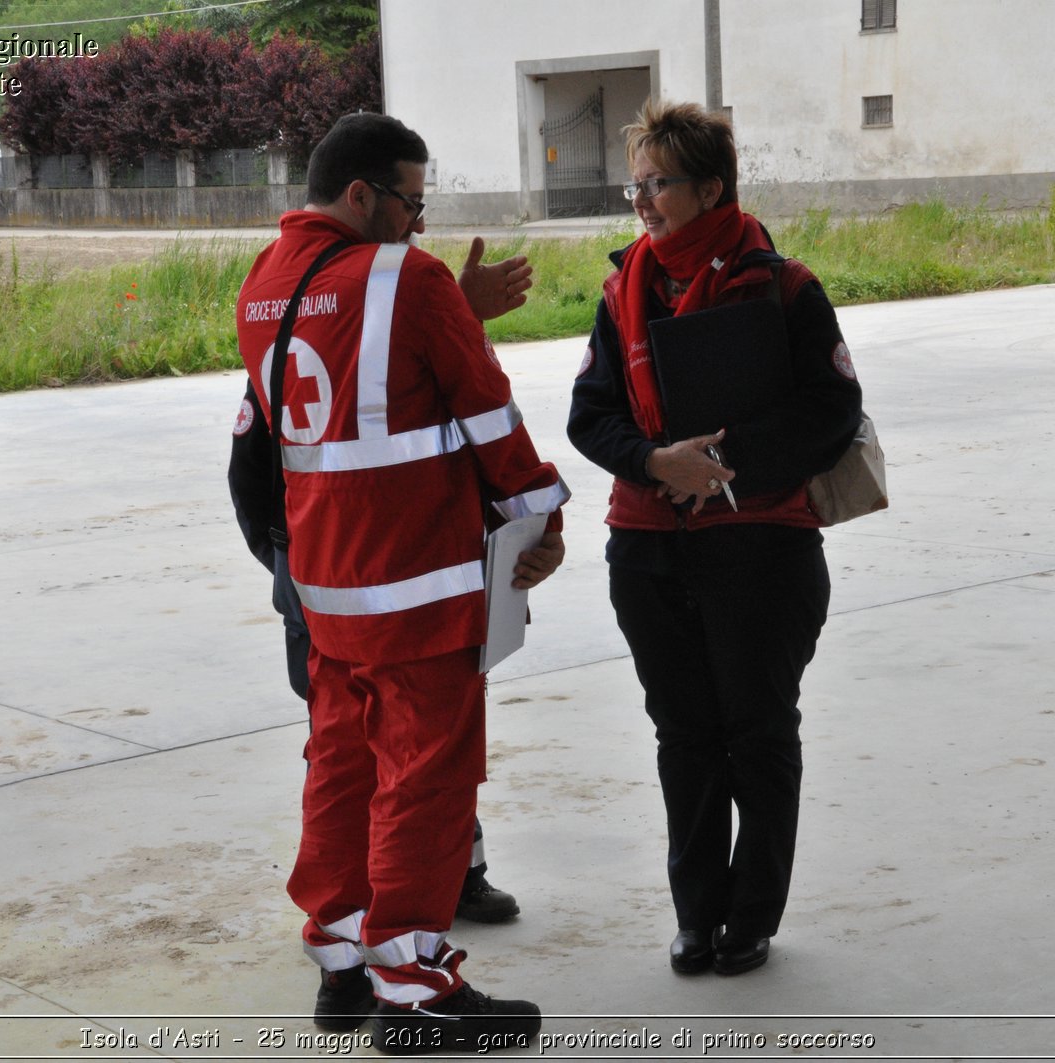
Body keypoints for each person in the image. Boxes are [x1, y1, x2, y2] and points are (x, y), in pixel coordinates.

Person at [231, 112, 568, 1053]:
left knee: (340, 768)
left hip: (325, 586)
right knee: (426, 777)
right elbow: (487, 410)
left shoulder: (263, 285)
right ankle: (416, 989)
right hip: (417, 581)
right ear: (359, 196)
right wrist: (542, 516)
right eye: (412, 203)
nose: (420, 224)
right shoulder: (409, 281)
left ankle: (341, 961)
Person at [567, 99, 862, 977]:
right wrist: (659, 462)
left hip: (761, 549)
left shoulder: (784, 286)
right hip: (650, 546)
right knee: (683, 735)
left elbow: (832, 412)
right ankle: (696, 913)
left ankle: (752, 914)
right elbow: (590, 416)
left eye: (661, 184)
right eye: (639, 183)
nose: (644, 202)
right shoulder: (622, 290)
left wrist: (725, 465)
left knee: (759, 731)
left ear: (712, 188)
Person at [230, 232, 532, 928]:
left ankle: (438, 884)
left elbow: (410, 403)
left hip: (344, 580)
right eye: (409, 205)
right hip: (342, 586)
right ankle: (397, 941)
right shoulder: (300, 330)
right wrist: (291, 565)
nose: (412, 229)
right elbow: (254, 471)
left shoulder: (344, 309)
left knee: (382, 755)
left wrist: (458, 314)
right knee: (385, 756)